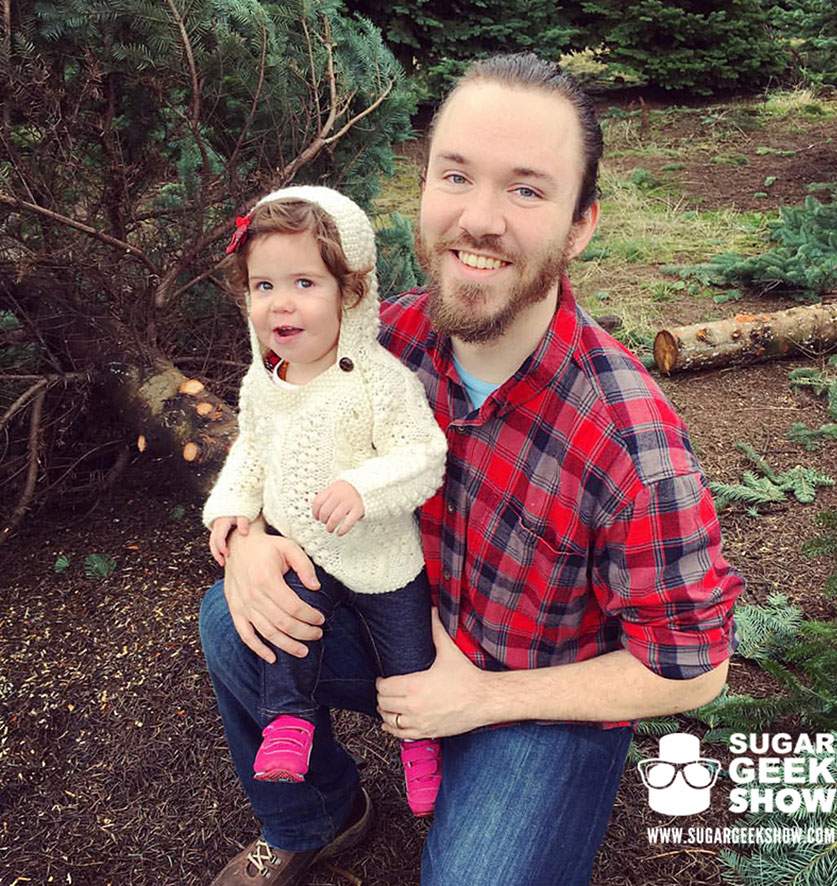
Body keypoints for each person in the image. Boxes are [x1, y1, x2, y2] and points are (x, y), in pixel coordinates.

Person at [200, 53, 743, 886]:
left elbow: (695, 668)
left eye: (526, 189)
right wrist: (247, 540)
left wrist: (479, 702)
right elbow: (281, 436)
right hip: (400, 630)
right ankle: (321, 817)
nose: (478, 219)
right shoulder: (380, 344)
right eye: (456, 175)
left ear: (580, 225)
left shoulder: (630, 448)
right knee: (233, 621)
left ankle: (485, 771)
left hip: (533, 701)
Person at [202, 186, 448, 819]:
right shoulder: (264, 379)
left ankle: (420, 747)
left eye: (305, 282)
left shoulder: (376, 380)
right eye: (263, 286)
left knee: (407, 657)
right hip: (304, 551)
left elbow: (423, 455)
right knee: (286, 630)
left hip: (380, 558)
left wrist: (364, 488)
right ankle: (290, 721)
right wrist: (233, 505)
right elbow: (253, 449)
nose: (281, 303)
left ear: (352, 292)